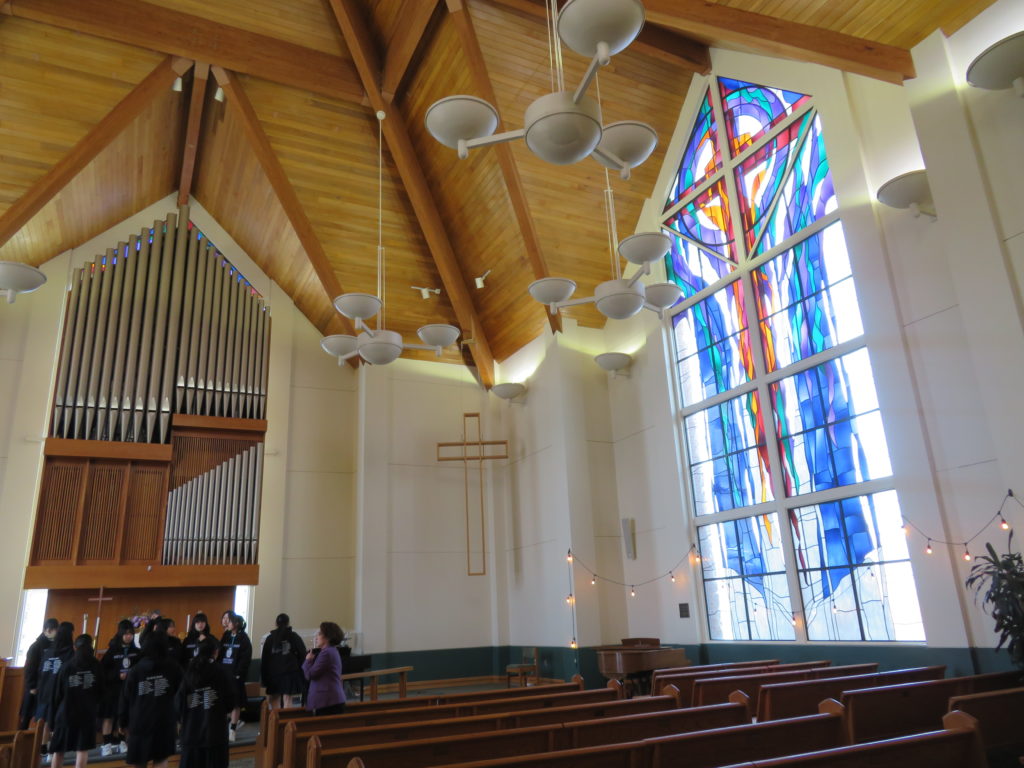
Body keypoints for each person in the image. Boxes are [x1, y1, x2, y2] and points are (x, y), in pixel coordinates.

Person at [119, 625, 182, 768]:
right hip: (165, 720)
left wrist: (122, 721)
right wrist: (180, 717)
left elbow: (125, 697)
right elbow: (182, 692)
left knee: (139, 760)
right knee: (161, 758)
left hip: (140, 721)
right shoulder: (173, 667)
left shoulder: (136, 670)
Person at [177, 639, 235, 768]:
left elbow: (179, 704)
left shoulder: (189, 672)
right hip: (215, 732)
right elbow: (230, 702)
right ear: (215, 652)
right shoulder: (222, 672)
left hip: (192, 731)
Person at [49, 634, 104, 768]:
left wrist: (52, 718)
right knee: (82, 749)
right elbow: (101, 691)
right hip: (87, 713)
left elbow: (57, 694)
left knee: (59, 750)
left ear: (75, 647)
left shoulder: (67, 666)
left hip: (66, 712)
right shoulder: (97, 665)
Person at [99, 620, 140, 755]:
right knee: (109, 716)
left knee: (125, 716)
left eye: (131, 634)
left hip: (129, 689)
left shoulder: (136, 652)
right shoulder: (112, 651)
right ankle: (106, 744)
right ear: (120, 634)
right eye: (126, 634)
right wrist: (117, 675)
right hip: (113, 689)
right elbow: (103, 671)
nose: (128, 636)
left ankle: (123, 741)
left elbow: (139, 669)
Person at [36, 622, 75, 756]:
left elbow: (40, 671)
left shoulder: (48, 651)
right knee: (57, 720)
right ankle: (52, 749)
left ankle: (42, 747)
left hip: (45, 690)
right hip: (60, 692)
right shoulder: (69, 653)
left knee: (45, 720)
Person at [260, 614, 306, 710]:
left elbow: (265, 660)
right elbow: (302, 655)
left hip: (273, 675)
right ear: (288, 623)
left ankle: (275, 719)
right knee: (287, 700)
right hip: (289, 673)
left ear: (276, 623)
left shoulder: (270, 638)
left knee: (274, 700)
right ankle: (286, 719)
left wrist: (264, 679)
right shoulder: (294, 636)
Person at [19, 617, 58, 729]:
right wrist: (32, 686)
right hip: (35, 686)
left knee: (42, 716)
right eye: (55, 630)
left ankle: (39, 737)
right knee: (27, 715)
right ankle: (20, 736)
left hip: (45, 687)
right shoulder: (36, 646)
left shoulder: (53, 645)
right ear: (47, 630)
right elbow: (30, 668)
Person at [218, 614, 251, 741]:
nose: (228, 623)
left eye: (230, 621)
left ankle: (232, 729)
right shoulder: (226, 636)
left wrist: (238, 673)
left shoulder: (244, 638)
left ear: (236, 624)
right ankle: (223, 727)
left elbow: (245, 658)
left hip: (235, 676)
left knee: (236, 703)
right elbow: (220, 653)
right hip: (224, 674)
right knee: (223, 701)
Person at [301, 622, 345, 716]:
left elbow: (310, 674)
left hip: (328, 701)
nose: (316, 637)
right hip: (330, 700)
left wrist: (308, 660)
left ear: (328, 637)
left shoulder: (326, 653)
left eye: (319, 633)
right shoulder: (331, 650)